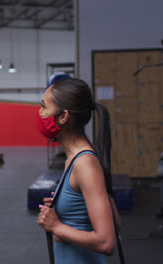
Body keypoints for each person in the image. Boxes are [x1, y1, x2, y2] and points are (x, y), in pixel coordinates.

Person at [36, 78, 121, 263]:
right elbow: (115, 222)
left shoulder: (85, 164)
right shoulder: (74, 160)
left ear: (63, 116)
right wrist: (62, 209)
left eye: (44, 107)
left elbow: (107, 242)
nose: (40, 113)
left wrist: (56, 226)